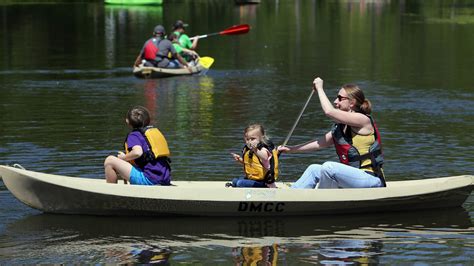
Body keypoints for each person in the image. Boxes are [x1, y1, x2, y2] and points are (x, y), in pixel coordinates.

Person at [278, 77, 386, 189]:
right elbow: (318, 143)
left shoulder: (363, 120)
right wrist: (291, 149)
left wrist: (320, 88)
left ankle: (320, 201)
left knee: (328, 167)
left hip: (371, 179)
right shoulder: (340, 127)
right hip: (351, 179)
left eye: (340, 98)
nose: (335, 101)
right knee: (313, 169)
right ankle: (291, 196)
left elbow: (329, 112)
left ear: (352, 103)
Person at [104, 106, 171, 185]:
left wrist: (123, 158)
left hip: (149, 179)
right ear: (148, 120)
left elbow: (137, 152)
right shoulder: (152, 133)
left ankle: (111, 193)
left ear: (127, 121)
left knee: (110, 161)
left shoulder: (134, 135)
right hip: (165, 178)